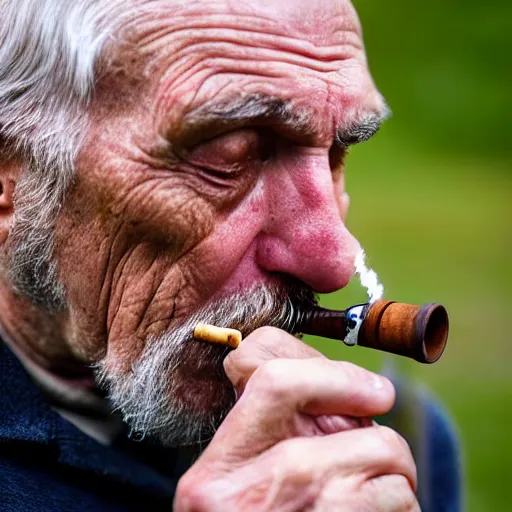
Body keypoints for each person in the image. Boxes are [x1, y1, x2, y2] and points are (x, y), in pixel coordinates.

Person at [0, 0, 460, 510]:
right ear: (8, 176)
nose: (331, 262)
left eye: (338, 153)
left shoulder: (377, 446)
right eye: (227, 156)